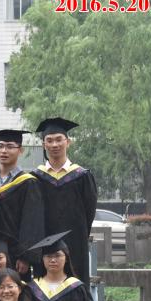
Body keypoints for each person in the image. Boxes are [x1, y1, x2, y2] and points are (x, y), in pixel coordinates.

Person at [32, 118, 98, 284]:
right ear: (43, 145)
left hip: (75, 244)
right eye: (49, 140)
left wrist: (79, 237)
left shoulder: (82, 176)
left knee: (75, 285)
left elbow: (89, 213)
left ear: (68, 142)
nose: (54, 144)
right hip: (44, 244)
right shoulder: (35, 178)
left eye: (59, 139)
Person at [0, 129, 45, 275]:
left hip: (15, 255)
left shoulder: (29, 183)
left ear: (20, 150)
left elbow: (32, 222)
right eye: (0, 146)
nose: (4, 151)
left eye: (10, 146)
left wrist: (25, 256)